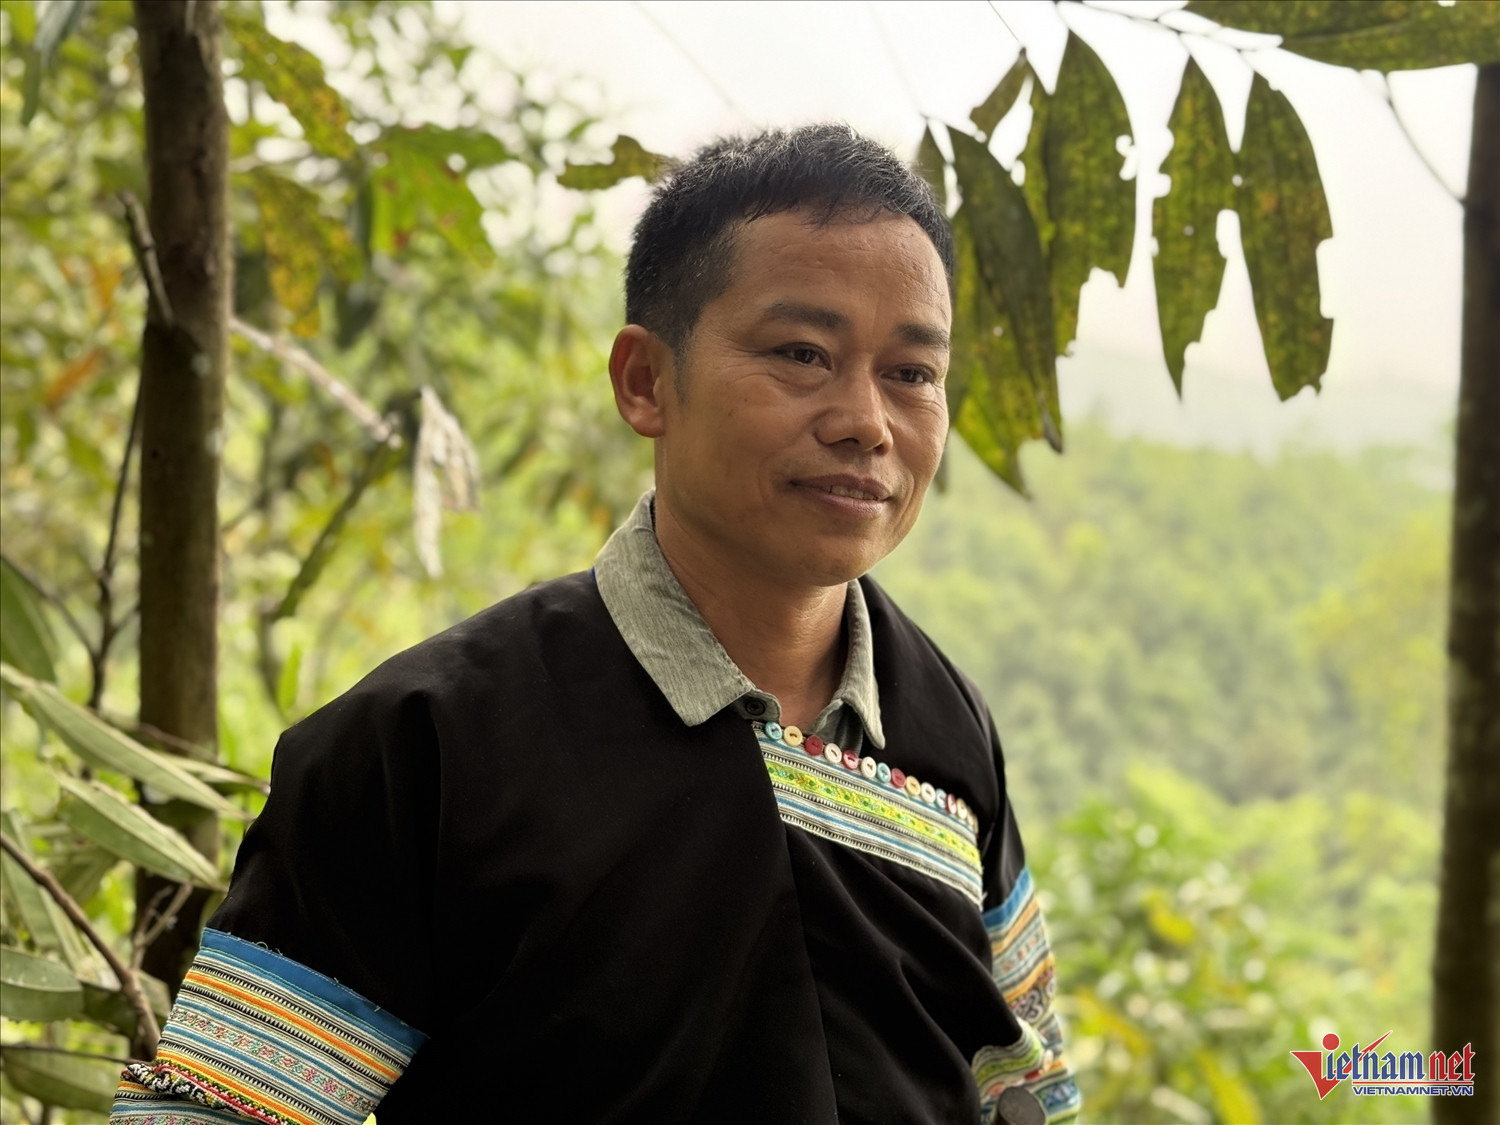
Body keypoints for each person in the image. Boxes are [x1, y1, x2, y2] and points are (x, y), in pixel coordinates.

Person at [111, 124, 1080, 1125]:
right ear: (645, 381)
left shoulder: (946, 728)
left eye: (911, 373)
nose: (866, 422)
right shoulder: (425, 747)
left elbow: (1029, 1090)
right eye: (803, 354)